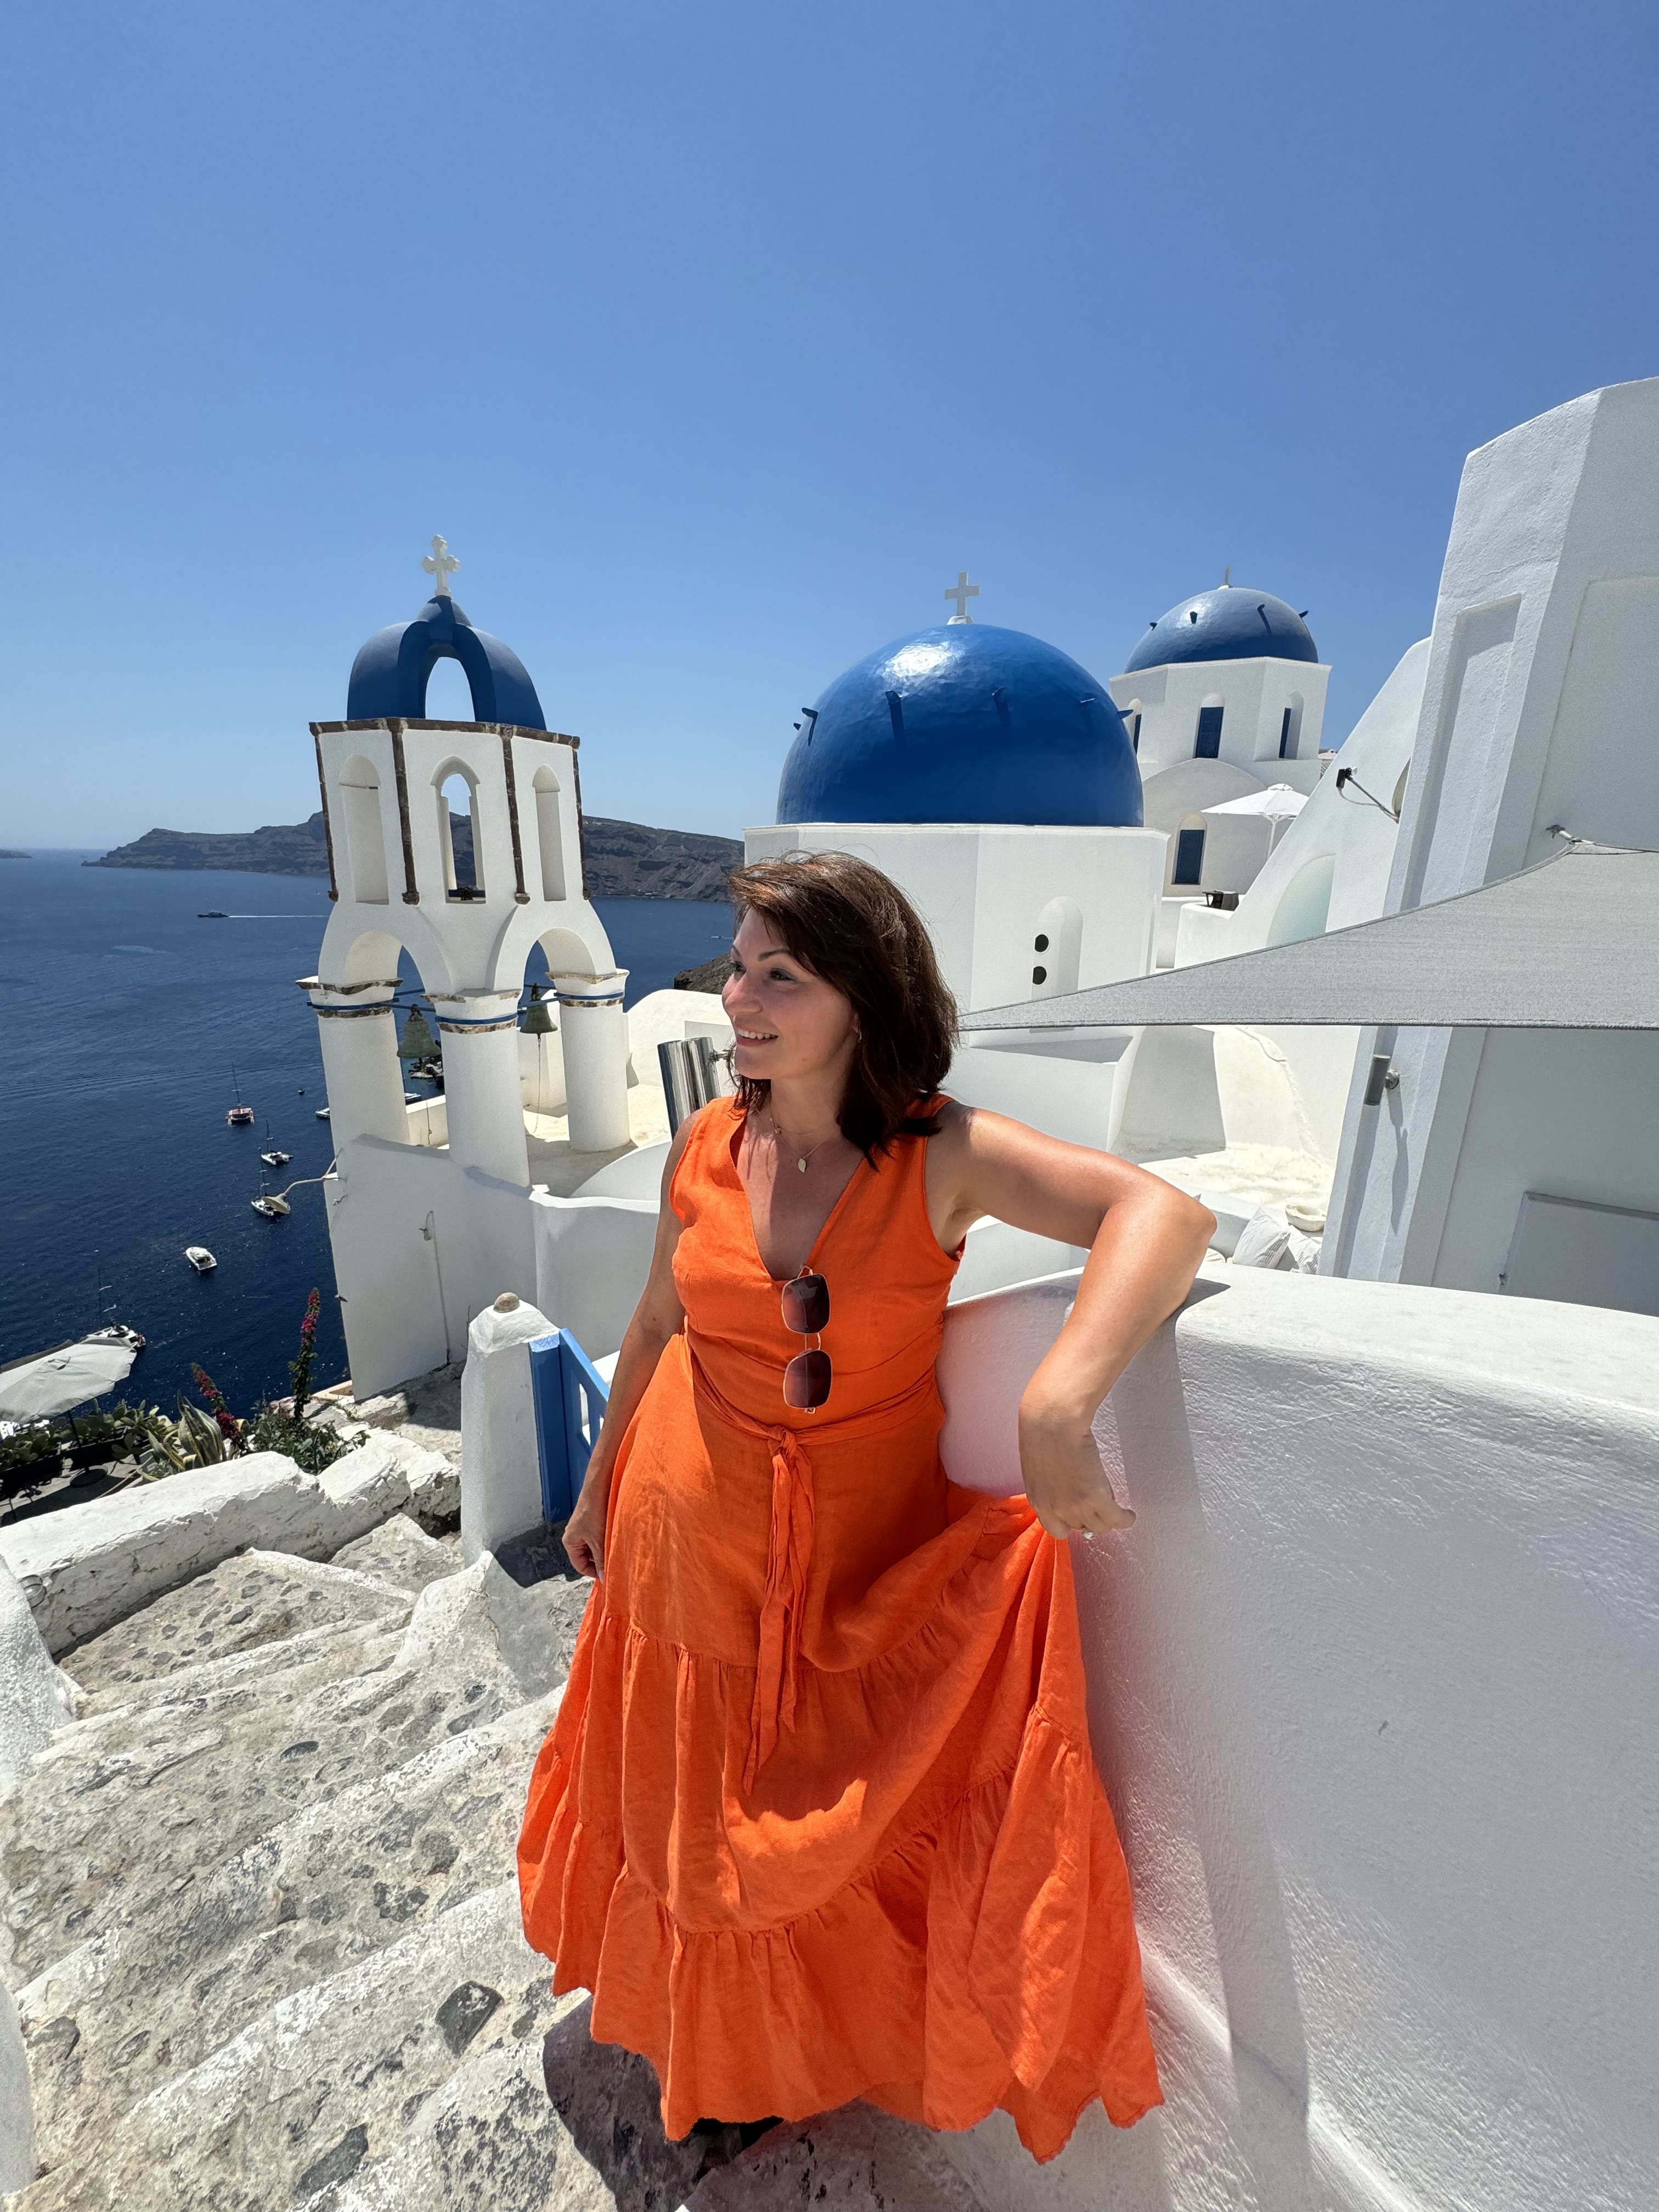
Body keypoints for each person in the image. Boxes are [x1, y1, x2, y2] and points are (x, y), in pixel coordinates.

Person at [518, 851, 1214, 2162]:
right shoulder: (706, 1144)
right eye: (739, 969)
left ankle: (787, 2049)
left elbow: (1161, 1214)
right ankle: (715, 2055)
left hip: (849, 1562)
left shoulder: (937, 1154)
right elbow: (658, 1321)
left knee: (804, 1834)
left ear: (865, 995)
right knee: (694, 1819)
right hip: (683, 1537)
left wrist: (1059, 1400)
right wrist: (601, 1482)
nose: (739, 999)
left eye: (780, 974)